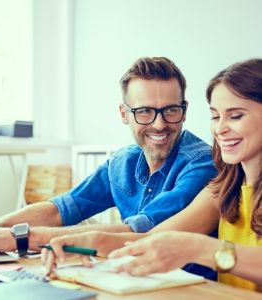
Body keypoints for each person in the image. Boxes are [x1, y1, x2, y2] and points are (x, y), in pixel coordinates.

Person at [0, 58, 216, 276]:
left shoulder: (203, 162)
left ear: (184, 110)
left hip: (187, 287)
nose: (159, 124)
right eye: (145, 111)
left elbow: (139, 230)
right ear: (124, 113)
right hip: (133, 279)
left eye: (170, 110)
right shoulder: (121, 163)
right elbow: (59, 210)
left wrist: (20, 236)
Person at [45, 58, 261, 291]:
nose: (220, 129)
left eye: (235, 116)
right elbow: (155, 238)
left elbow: (184, 244)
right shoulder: (225, 187)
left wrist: (198, 248)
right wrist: (89, 241)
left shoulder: (201, 166)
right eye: (216, 116)